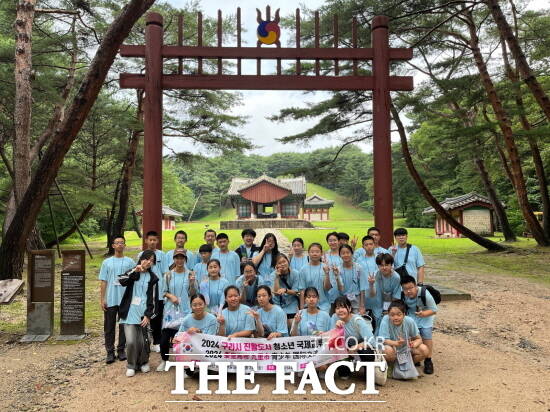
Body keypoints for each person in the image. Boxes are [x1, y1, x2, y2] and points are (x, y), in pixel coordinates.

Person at [118, 250, 160, 377]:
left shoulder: (153, 278)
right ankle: (131, 365)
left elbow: (153, 298)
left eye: (152, 261)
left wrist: (148, 315)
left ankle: (143, 362)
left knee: (143, 341)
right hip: (130, 311)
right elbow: (121, 280)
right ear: (141, 259)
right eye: (147, 259)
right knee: (131, 341)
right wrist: (135, 271)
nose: (148, 262)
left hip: (143, 313)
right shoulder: (133, 272)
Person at [157, 249, 197, 372]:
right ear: (173, 259)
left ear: (185, 259)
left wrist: (191, 283)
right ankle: (165, 360)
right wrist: (171, 296)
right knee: (164, 339)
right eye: (177, 258)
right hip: (170, 311)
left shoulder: (190, 274)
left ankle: (185, 364)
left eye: (182, 258)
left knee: (183, 339)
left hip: (185, 310)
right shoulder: (168, 275)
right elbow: (163, 292)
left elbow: (193, 293)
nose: (179, 260)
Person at [99, 235, 135, 364]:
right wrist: (102, 299)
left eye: (122, 243)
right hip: (111, 298)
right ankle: (109, 352)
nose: (120, 244)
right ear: (113, 245)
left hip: (125, 299)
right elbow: (103, 281)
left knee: (124, 325)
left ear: (125, 245)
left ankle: (121, 350)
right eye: (117, 243)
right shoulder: (106, 262)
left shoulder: (130, 262)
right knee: (109, 326)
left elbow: (133, 280)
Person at [171, 294, 220, 377]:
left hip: (206, 349)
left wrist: (198, 333)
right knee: (178, 344)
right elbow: (179, 335)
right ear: (191, 306)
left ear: (205, 304)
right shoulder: (186, 319)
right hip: (191, 349)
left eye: (200, 304)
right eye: (194, 305)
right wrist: (180, 337)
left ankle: (202, 368)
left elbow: (211, 339)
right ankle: (187, 368)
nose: (198, 307)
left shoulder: (212, 319)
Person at [330, 296, 375, 380]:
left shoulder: (357, 320)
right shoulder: (334, 318)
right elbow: (331, 342)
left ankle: (367, 372)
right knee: (337, 347)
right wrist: (337, 329)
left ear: (349, 308)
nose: (340, 310)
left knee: (367, 352)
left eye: (343, 307)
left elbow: (372, 341)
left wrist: (356, 347)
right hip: (345, 348)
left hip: (359, 348)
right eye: (337, 308)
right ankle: (345, 370)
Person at [400, 275, 437, 374]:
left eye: (411, 288)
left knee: (426, 335)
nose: (409, 291)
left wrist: (423, 314)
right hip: (411, 317)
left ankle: (428, 360)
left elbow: (434, 310)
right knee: (412, 336)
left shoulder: (424, 293)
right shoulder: (403, 296)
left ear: (416, 286)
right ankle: (416, 356)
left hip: (425, 317)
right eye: (405, 289)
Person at [137, 230, 166, 353]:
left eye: (155, 240)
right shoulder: (140, 255)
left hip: (158, 291)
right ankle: (143, 341)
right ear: (146, 241)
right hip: (145, 291)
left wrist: (165, 290)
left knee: (157, 318)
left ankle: (157, 341)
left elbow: (165, 273)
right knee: (144, 316)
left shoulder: (162, 255)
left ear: (157, 241)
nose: (152, 242)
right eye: (150, 240)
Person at [378, 300, 429, 368]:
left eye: (399, 315)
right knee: (387, 350)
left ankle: (407, 366)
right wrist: (396, 343)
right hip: (392, 348)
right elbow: (383, 340)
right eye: (392, 315)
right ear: (388, 314)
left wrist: (414, 344)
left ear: (404, 314)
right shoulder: (385, 319)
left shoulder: (410, 321)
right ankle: (392, 366)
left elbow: (419, 339)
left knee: (424, 350)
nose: (395, 318)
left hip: (406, 348)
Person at [370, 253, 402, 331]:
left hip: (392, 304)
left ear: (391, 265)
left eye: (387, 265)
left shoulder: (396, 277)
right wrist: (371, 284)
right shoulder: (377, 274)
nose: (384, 268)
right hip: (378, 303)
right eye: (381, 265)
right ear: (378, 266)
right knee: (378, 320)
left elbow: (396, 297)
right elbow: (374, 294)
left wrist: (389, 310)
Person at [298, 243, 332, 313]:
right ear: (308, 253)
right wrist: (301, 309)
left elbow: (327, 288)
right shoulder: (303, 269)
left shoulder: (326, 267)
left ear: (321, 253)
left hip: (324, 305)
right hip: (308, 305)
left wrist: (327, 274)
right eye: (312, 252)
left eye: (317, 252)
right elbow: (302, 290)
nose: (314, 254)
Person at [272, 254, 300, 328]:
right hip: (278, 303)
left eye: (284, 261)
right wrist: (277, 277)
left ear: (288, 261)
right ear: (276, 266)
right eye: (279, 263)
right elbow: (276, 293)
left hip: (291, 303)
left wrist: (286, 290)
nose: (282, 264)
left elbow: (296, 292)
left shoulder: (295, 273)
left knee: (292, 324)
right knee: (280, 324)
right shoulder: (273, 275)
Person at [334, 245, 363, 313]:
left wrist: (362, 305)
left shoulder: (359, 268)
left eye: (348, 252)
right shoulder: (338, 269)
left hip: (357, 300)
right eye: (343, 253)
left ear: (352, 253)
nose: (345, 255)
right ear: (339, 255)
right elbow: (340, 289)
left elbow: (362, 288)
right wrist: (337, 276)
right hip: (343, 301)